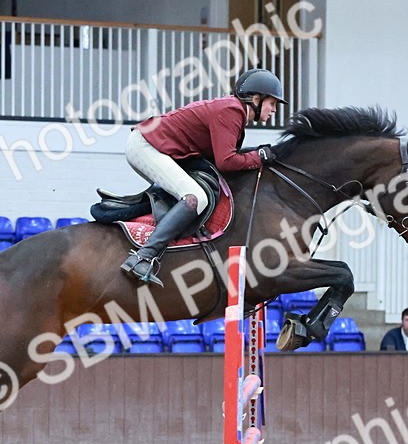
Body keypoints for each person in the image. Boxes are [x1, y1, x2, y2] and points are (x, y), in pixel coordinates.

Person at [119, 68, 287, 287]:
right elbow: (226, 162)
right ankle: (143, 257)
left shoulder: (233, 111)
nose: (273, 110)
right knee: (195, 198)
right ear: (256, 99)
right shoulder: (231, 111)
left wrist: (256, 154)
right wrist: (258, 156)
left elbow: (226, 157)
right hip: (145, 147)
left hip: (155, 146)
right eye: (272, 104)